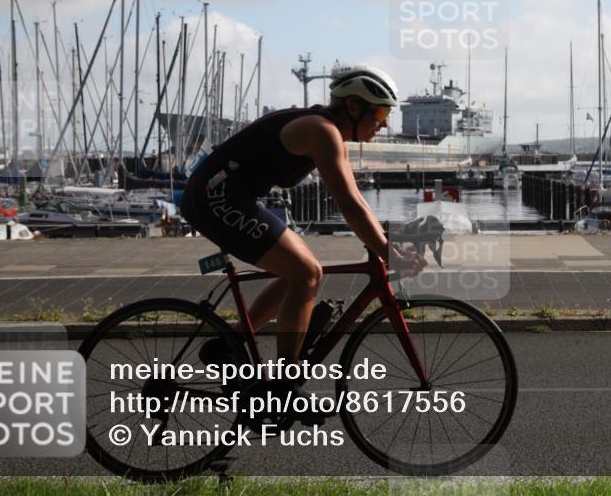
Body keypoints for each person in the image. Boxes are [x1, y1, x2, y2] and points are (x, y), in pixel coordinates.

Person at [181, 64, 427, 366]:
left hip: (227, 194)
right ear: (352, 106)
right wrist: (390, 253)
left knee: (302, 272)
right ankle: (286, 380)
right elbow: (348, 204)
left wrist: (387, 245)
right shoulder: (320, 131)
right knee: (306, 272)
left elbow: (357, 202)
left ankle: (229, 345)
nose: (384, 125)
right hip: (215, 197)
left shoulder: (330, 132)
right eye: (380, 114)